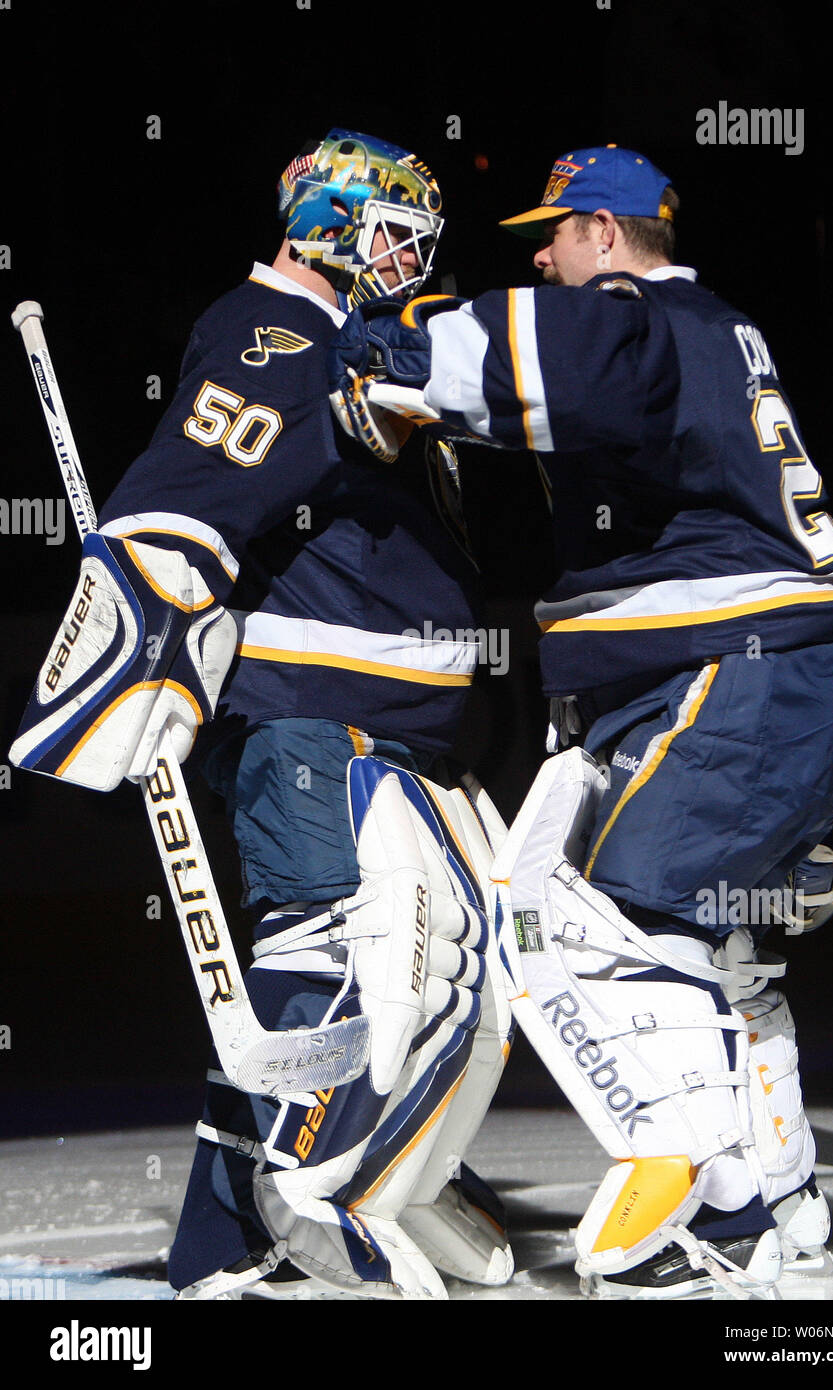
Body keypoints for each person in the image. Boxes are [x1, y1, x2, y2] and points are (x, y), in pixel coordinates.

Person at [328, 143, 833, 1299]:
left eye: (556, 231)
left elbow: (556, 363)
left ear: (609, 235)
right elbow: (578, 412)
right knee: (706, 947)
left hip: (747, 676)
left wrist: (401, 348)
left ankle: (710, 1200)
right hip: (780, 677)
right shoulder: (710, 334)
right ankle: (780, 1190)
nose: (540, 252)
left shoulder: (633, 314)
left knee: (584, 923)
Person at [10, 128, 513, 1300]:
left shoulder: (344, 342)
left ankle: (237, 1233)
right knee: (349, 971)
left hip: (386, 731)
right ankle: (269, 1224)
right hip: (310, 726)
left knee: (437, 982)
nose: (403, 255)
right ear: (325, 222)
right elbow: (185, 493)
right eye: (386, 229)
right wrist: (144, 609)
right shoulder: (272, 329)